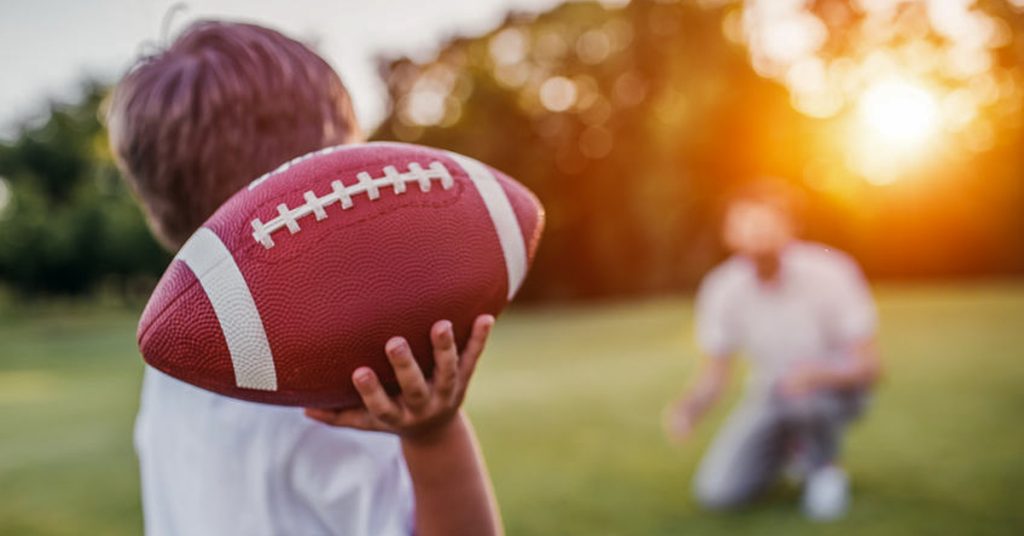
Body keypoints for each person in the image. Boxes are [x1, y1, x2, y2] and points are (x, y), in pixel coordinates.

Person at [107, 21, 501, 536]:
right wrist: (434, 437)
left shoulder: (173, 360)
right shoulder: (328, 391)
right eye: (351, 161)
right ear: (314, 189)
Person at [665, 178, 881, 520]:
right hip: (772, 394)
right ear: (728, 233)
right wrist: (690, 408)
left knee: (803, 397)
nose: (758, 233)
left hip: (837, 391)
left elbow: (869, 365)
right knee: (718, 494)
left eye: (767, 222)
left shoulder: (832, 271)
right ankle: (789, 450)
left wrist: (817, 374)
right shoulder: (722, 289)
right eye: (746, 223)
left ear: (791, 227)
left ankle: (823, 471)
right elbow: (716, 373)